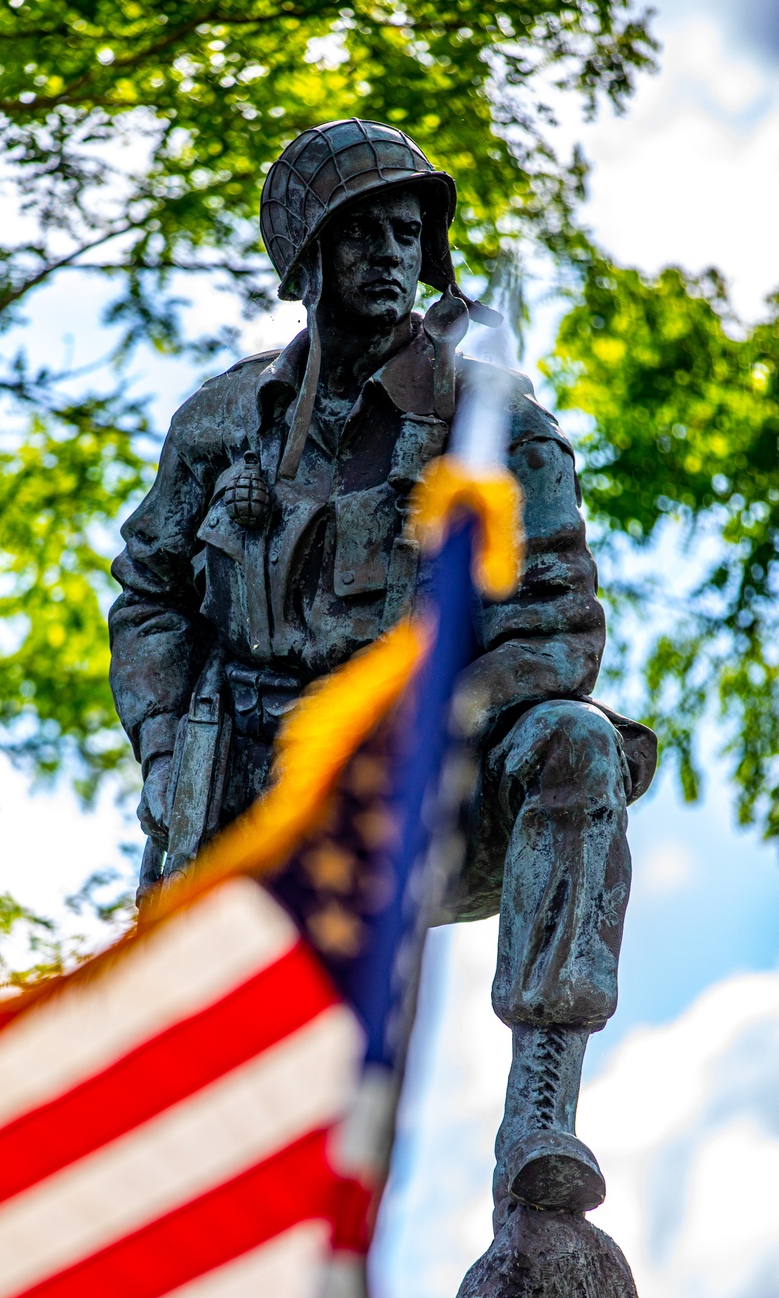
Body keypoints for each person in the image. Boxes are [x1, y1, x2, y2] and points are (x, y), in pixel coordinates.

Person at [108, 119, 656, 1226]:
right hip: (257, 779)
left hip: (436, 781)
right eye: (359, 233)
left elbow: (557, 629)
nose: (388, 254)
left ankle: (540, 1109)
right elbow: (148, 595)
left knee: (579, 744)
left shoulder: (495, 428)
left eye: (405, 233)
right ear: (306, 258)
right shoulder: (221, 422)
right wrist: (166, 751)